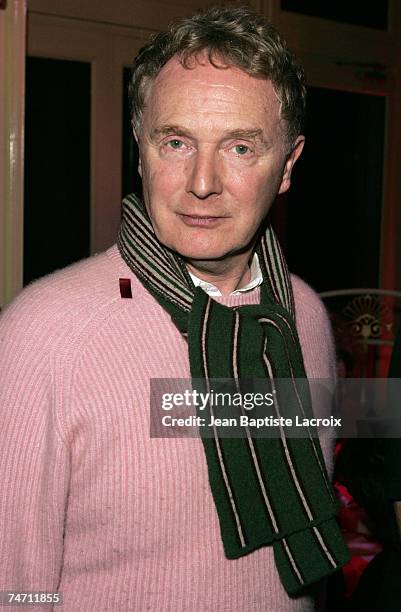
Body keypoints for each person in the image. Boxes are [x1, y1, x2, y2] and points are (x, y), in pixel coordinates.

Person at [0, 5, 349, 610]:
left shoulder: (306, 317)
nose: (203, 182)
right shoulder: (43, 335)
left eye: (241, 146)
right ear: (141, 151)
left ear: (288, 164)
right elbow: (14, 588)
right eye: (176, 141)